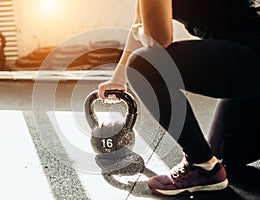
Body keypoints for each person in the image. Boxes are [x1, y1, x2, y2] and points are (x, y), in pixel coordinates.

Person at [98, 0, 260, 196]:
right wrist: (118, 80)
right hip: (248, 57)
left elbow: (159, 39)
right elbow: (139, 21)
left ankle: (202, 165)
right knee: (226, 150)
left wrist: (143, 33)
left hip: (252, 58)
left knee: (143, 65)